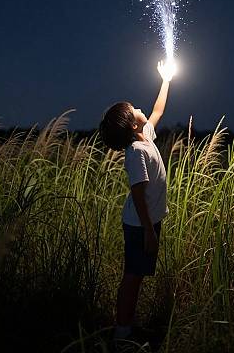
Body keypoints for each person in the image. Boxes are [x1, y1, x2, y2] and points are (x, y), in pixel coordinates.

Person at [99, 59, 176, 342]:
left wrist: (166, 79)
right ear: (133, 124)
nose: (141, 109)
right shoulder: (136, 152)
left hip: (146, 223)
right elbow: (138, 194)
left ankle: (127, 325)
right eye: (135, 110)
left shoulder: (145, 138)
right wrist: (147, 231)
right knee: (132, 277)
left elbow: (158, 110)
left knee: (137, 275)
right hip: (139, 225)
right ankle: (122, 333)